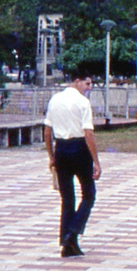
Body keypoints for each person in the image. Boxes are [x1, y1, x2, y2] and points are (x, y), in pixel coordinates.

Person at [43, 70, 101, 257]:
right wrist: (96, 161)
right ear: (77, 81)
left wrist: (51, 155)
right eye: (87, 83)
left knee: (67, 199)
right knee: (89, 194)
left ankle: (67, 242)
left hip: (61, 148)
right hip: (79, 147)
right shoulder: (82, 102)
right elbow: (88, 134)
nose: (89, 88)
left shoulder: (55, 100)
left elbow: (47, 131)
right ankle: (73, 230)